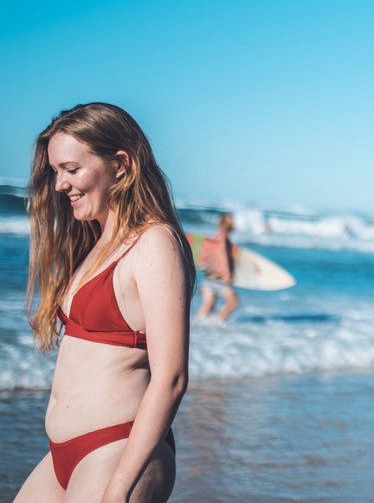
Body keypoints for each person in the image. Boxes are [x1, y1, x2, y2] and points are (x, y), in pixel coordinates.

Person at [16, 103, 194, 503]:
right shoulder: (94, 245)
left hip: (118, 449)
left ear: (121, 165)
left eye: (71, 169)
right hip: (64, 456)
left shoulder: (155, 243)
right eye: (55, 171)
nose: (60, 184)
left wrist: (118, 489)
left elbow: (171, 379)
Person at [197, 212, 240, 321]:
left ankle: (198, 326)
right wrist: (227, 274)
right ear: (225, 222)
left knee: (208, 307)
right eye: (231, 220)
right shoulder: (223, 234)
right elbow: (222, 252)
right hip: (219, 278)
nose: (234, 222)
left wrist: (206, 269)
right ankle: (219, 323)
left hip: (209, 277)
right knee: (233, 303)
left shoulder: (215, 235)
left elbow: (205, 254)